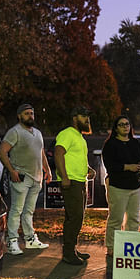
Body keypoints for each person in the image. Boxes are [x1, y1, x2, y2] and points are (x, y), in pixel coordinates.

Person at [0, 103, 52, 255]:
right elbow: (2, 152)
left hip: (37, 178)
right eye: (27, 113)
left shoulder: (38, 133)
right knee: (16, 210)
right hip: (21, 177)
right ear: (19, 116)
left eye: (32, 113)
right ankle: (12, 241)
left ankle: (30, 239)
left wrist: (47, 170)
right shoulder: (14, 132)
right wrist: (12, 171)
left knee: (29, 211)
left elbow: (41, 152)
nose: (30, 116)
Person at [54, 106, 96, 265]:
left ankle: (72, 249)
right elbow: (58, 153)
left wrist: (88, 169)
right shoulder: (67, 134)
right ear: (74, 118)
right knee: (75, 217)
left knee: (75, 217)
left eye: (88, 117)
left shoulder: (80, 137)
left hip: (80, 181)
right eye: (84, 116)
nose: (87, 119)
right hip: (71, 181)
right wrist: (64, 177)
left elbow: (75, 157)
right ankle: (68, 253)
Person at [101, 115, 140, 255]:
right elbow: (110, 165)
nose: (125, 126)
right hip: (118, 186)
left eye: (127, 124)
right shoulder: (110, 144)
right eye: (121, 124)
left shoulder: (135, 143)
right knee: (116, 218)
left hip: (135, 186)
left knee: (134, 219)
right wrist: (128, 167)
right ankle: (111, 247)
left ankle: (131, 246)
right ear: (116, 128)